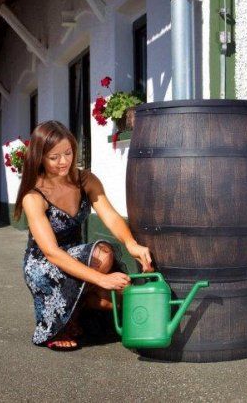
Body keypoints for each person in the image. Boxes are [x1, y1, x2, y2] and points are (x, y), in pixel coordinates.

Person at [14, 120, 154, 350]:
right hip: (44, 265)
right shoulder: (34, 196)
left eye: (68, 153)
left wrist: (131, 245)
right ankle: (65, 322)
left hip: (77, 255)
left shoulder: (85, 180)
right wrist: (101, 279)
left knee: (120, 294)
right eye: (54, 157)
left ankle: (80, 306)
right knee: (103, 256)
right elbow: (51, 252)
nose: (64, 161)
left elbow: (110, 216)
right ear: (40, 158)